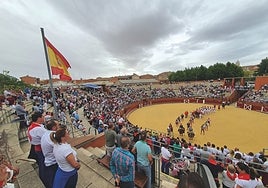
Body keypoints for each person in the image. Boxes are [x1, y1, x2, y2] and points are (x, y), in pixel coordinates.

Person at [27, 112, 46, 184]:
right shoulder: (38, 129)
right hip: (41, 148)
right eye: (42, 117)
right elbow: (48, 138)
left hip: (36, 147)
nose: (44, 118)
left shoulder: (31, 126)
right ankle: (44, 178)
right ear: (39, 118)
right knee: (42, 163)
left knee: (41, 162)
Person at [41, 120, 59, 188]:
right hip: (54, 163)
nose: (59, 127)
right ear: (54, 127)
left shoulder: (45, 134)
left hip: (49, 161)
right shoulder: (54, 135)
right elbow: (61, 148)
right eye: (58, 125)